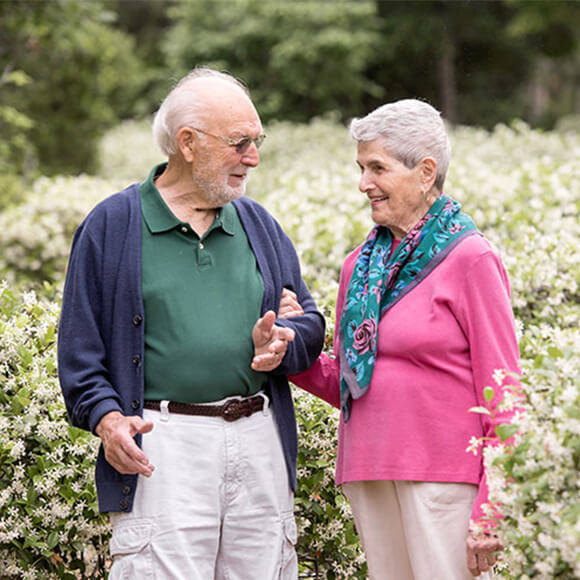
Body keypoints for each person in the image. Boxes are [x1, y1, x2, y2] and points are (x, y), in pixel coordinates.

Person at [57, 67, 325, 580]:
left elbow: (308, 320)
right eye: (240, 142)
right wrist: (109, 420)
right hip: (165, 443)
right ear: (187, 143)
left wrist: (285, 342)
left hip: (257, 436)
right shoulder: (111, 226)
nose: (254, 157)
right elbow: (79, 355)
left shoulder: (257, 223)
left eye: (257, 141)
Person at [289, 99, 521, 580]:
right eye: (360, 167)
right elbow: (352, 380)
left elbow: (504, 388)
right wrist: (290, 350)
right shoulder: (359, 265)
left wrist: (494, 502)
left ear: (425, 172)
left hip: (444, 477)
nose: (363, 183)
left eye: (378, 167)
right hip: (369, 468)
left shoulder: (470, 257)